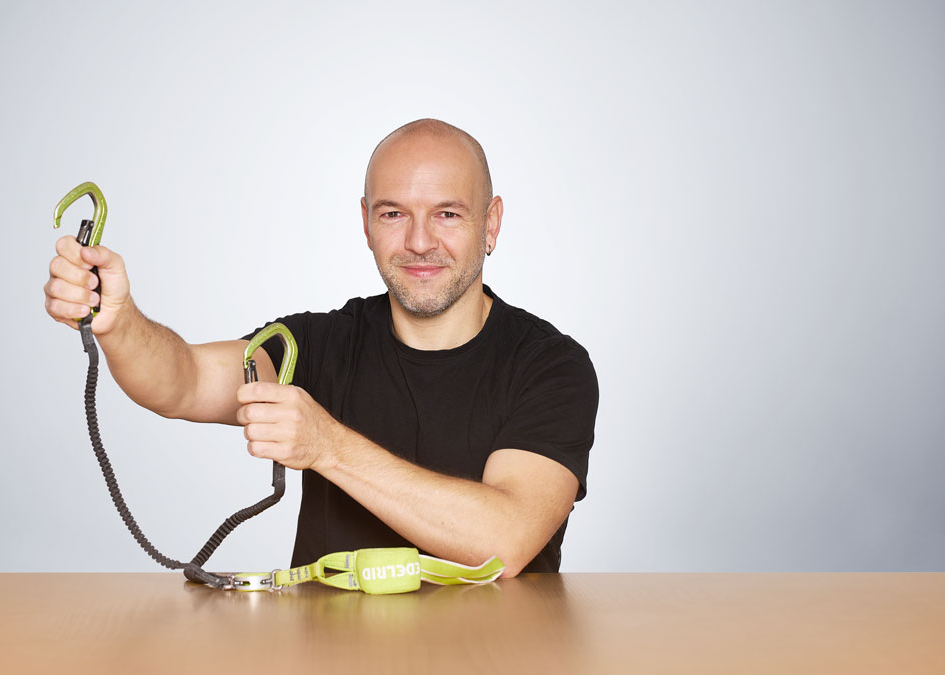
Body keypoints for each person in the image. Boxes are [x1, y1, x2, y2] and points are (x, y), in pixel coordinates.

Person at [44, 119, 599, 577]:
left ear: (491, 224)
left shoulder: (552, 367)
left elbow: (503, 542)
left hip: (496, 656)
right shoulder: (311, 346)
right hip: (327, 653)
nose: (419, 241)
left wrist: (326, 445)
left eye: (447, 214)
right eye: (393, 214)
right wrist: (119, 322)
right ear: (366, 223)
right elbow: (183, 381)